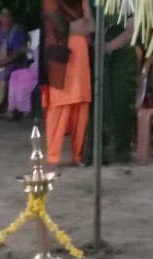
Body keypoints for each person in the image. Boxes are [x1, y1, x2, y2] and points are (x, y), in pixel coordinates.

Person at [41, 0, 94, 167]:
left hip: (81, 57)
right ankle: (53, 158)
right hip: (59, 55)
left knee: (82, 104)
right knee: (59, 105)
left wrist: (69, 27)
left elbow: (91, 25)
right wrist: (75, 26)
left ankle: (77, 157)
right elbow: (57, 27)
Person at [84, 14, 138, 164]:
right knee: (102, 104)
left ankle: (117, 152)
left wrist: (108, 47)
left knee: (119, 104)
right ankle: (99, 152)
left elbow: (131, 31)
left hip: (122, 59)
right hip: (104, 58)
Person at [8, 32, 39, 118]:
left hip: (38, 70)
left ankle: (24, 109)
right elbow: (30, 56)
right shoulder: (32, 46)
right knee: (14, 75)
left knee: (23, 80)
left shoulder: (41, 45)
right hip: (32, 68)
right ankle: (12, 107)